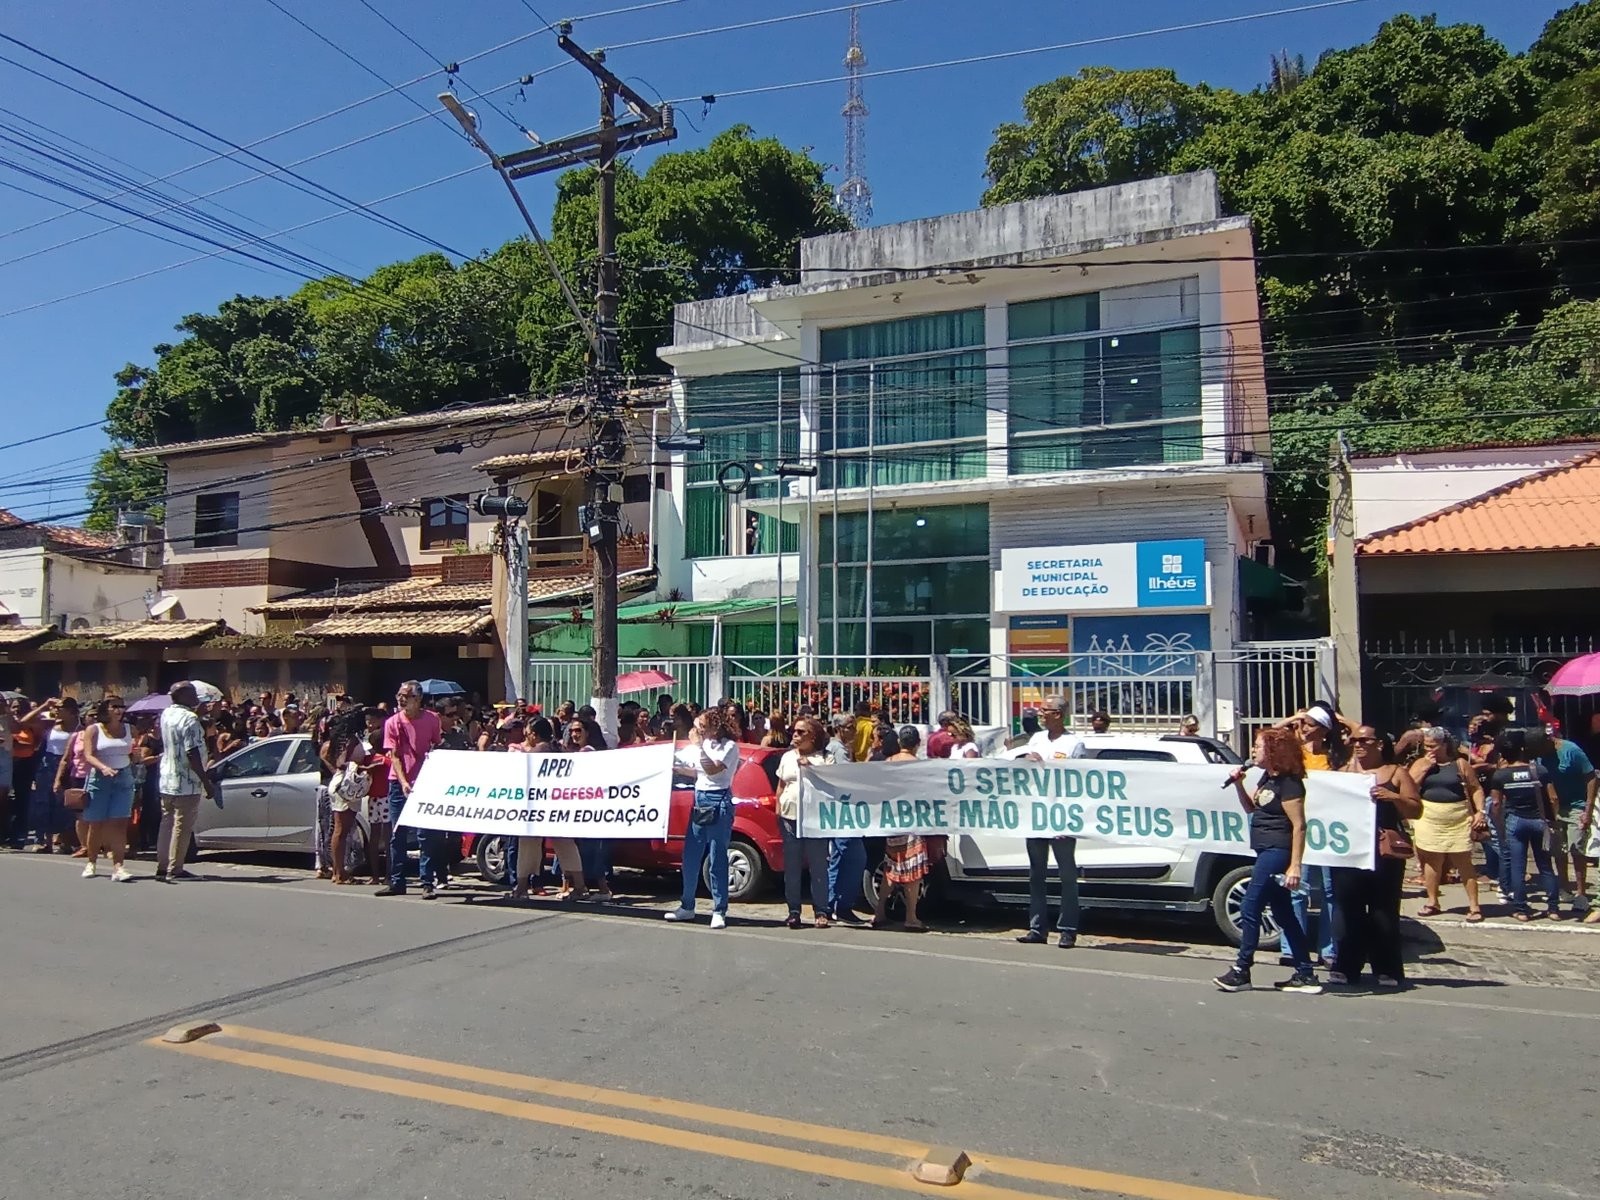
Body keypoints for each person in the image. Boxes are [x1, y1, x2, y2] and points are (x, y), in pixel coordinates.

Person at [1213, 727, 1322, 994]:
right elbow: (1252, 807)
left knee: (1251, 906)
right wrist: (1238, 784)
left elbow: (1299, 826)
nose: (1253, 751)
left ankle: (1242, 969)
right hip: (1264, 849)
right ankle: (1305, 974)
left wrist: (1295, 865)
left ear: (1274, 751)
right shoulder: (1266, 778)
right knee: (1285, 914)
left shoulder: (1290, 783)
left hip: (1277, 851)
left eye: (1258, 746)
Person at [1331, 727, 1422, 988]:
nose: (1357, 745)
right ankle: (1346, 966)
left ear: (1379, 744)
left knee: (1384, 910)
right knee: (1349, 909)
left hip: (1384, 851)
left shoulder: (1396, 773)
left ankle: (1387, 968)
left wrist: (1393, 797)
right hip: (1349, 849)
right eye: (1354, 740)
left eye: (1364, 740)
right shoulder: (1343, 774)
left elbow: (1416, 810)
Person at [1017, 698, 1085, 949]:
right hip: (1036, 815)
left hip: (1062, 815)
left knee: (1066, 875)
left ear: (1058, 714)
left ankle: (1068, 928)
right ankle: (1037, 928)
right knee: (1036, 874)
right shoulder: (1035, 740)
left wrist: (1047, 766)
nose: (1040, 715)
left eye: (1045, 711)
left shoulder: (1074, 744)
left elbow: (1078, 777)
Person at [666, 709, 740, 928]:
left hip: (719, 800)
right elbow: (698, 771)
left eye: (702, 726)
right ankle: (687, 904)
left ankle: (719, 909)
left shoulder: (729, 747)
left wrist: (699, 746)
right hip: (700, 799)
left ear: (715, 727)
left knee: (717, 857)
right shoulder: (704, 746)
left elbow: (714, 770)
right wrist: (676, 769)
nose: (698, 730)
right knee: (691, 855)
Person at [1408, 727, 1488, 921]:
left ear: (1444, 745)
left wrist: (1480, 812)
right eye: (1426, 746)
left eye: (1433, 746)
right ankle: (1432, 901)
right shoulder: (1420, 763)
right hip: (1429, 817)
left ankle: (1474, 905)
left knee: (1463, 862)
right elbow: (1410, 786)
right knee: (1431, 861)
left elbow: (1475, 788)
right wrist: (1426, 767)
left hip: (1457, 817)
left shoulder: (1460, 764)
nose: (1429, 750)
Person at [374, 681, 443, 898]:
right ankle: (397, 881)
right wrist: (404, 782)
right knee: (397, 834)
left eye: (406, 695)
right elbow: (394, 755)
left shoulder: (432, 719)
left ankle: (427, 882)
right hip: (398, 783)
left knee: (425, 835)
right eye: (399, 695)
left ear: (418, 699)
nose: (401, 699)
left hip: (425, 782)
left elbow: (436, 746)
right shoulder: (393, 722)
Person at [1490, 730, 1561, 922]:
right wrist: (1553, 819)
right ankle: (1553, 908)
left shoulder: (1500, 775)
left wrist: (1499, 825)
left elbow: (1496, 804)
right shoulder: (1539, 770)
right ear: (1523, 750)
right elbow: (1553, 797)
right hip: (1539, 820)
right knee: (1545, 865)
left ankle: (1521, 909)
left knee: (1517, 867)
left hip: (1515, 821)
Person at [157, 683, 218, 882]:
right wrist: (206, 781)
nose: (196, 696)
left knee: (167, 823)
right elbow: (192, 752)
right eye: (192, 693)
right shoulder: (190, 719)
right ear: (181, 695)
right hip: (187, 780)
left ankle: (163, 864)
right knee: (182, 826)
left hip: (167, 778)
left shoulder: (166, 714)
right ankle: (175, 868)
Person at [777, 717, 832, 928]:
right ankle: (793, 910)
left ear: (813, 736)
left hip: (814, 818)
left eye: (801, 732)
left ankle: (821, 910)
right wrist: (778, 810)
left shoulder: (825, 759)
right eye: (795, 731)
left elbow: (832, 782)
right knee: (791, 866)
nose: (796, 735)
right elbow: (782, 785)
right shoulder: (787, 757)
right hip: (789, 818)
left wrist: (811, 766)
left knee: (818, 866)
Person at [873, 726, 930, 931]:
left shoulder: (888, 763)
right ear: (917, 744)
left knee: (891, 867)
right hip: (912, 822)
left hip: (892, 822)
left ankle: (879, 912)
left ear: (899, 743)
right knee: (913, 872)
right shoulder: (919, 766)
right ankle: (911, 916)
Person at [1536, 731, 1596, 913]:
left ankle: (1581, 894)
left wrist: (1588, 809)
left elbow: (1591, 777)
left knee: (1576, 849)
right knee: (1558, 850)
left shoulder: (1571, 750)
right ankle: (1564, 888)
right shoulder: (1539, 755)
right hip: (1553, 808)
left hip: (1576, 806)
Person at [79, 697, 136, 881]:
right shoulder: (94, 729)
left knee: (119, 824)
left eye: (122, 706)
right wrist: (103, 767)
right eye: (115, 707)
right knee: (97, 824)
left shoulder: (129, 729)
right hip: (100, 778)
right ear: (106, 710)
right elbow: (88, 754)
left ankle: (118, 867)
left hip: (123, 777)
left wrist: (136, 755)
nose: (119, 710)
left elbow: (133, 752)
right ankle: (91, 862)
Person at [33, 697, 79, 853]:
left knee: (65, 804)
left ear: (71, 712)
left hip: (69, 765)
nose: (56, 710)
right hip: (48, 764)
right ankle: (44, 841)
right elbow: (24, 722)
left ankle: (63, 840)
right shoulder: (51, 723)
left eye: (60, 708)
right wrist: (44, 705)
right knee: (43, 803)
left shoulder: (80, 728)